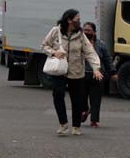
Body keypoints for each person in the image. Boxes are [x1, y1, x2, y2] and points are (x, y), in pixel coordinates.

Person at [41, 8, 102, 136]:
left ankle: (76, 126)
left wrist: (96, 68)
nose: (80, 21)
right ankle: (63, 124)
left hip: (76, 72)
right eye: (77, 19)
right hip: (60, 71)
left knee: (77, 100)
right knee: (58, 95)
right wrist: (54, 52)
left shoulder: (80, 35)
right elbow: (44, 45)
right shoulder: (56, 31)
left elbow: (89, 52)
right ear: (69, 20)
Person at [82, 22, 117, 128]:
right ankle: (84, 110)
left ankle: (94, 120)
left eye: (88, 30)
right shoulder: (79, 43)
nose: (86, 32)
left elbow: (107, 60)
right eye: (84, 30)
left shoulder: (101, 44)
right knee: (81, 98)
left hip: (97, 75)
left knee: (96, 99)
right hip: (81, 75)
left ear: (94, 32)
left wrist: (113, 72)